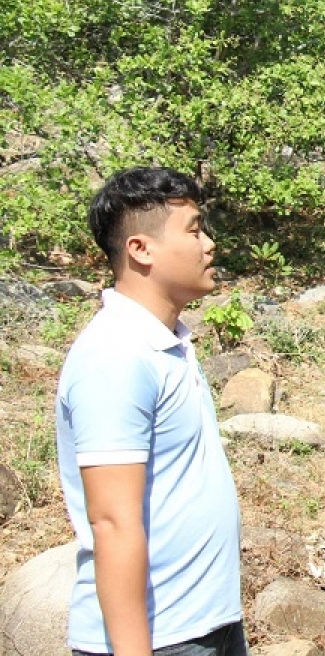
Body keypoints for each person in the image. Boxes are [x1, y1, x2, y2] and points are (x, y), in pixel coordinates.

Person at [56, 167, 244, 656]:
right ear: (141, 249)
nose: (210, 244)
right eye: (195, 229)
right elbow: (112, 521)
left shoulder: (167, 342)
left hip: (207, 624)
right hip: (159, 641)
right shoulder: (115, 355)